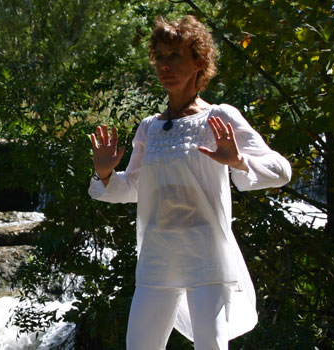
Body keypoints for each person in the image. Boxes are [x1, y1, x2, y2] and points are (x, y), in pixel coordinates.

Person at [88, 15, 291, 350]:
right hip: (156, 253)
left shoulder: (218, 117)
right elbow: (132, 189)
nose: (165, 66)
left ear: (199, 62)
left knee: (210, 346)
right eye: (160, 58)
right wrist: (105, 172)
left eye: (175, 56)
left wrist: (238, 160)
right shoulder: (148, 128)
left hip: (205, 255)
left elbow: (280, 169)